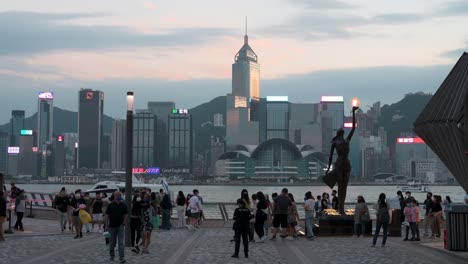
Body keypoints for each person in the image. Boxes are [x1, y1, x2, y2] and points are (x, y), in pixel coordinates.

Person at [324, 105, 358, 215]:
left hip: (346, 164)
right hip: (339, 164)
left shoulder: (347, 140)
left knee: (345, 186)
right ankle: (341, 208)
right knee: (340, 186)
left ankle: (342, 207)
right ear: (339, 133)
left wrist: (353, 112)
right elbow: (330, 156)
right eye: (341, 131)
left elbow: (353, 127)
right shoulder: (335, 142)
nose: (342, 131)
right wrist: (328, 168)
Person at [105, 191, 128, 263]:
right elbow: (107, 215)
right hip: (111, 226)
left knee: (121, 242)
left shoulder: (123, 205)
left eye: (119, 195)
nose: (118, 196)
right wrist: (106, 225)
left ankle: (121, 257)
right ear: (114, 196)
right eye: (117, 195)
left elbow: (126, 214)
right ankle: (112, 255)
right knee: (112, 243)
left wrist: (124, 222)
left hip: (120, 226)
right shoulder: (110, 205)